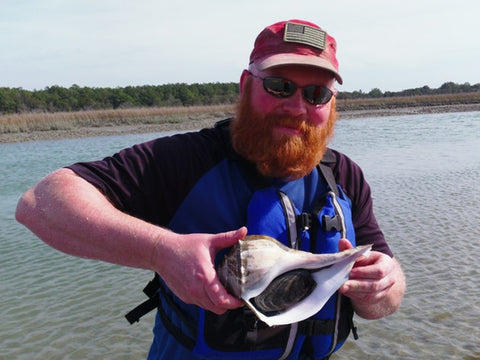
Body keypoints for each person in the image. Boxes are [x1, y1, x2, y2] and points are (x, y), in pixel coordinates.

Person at [16, 19, 405, 360]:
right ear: (246, 86)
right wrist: (160, 251)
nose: (297, 105)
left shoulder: (343, 177)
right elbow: (40, 203)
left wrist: (384, 287)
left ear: (331, 103)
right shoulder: (185, 161)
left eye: (315, 93)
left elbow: (386, 300)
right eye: (280, 86)